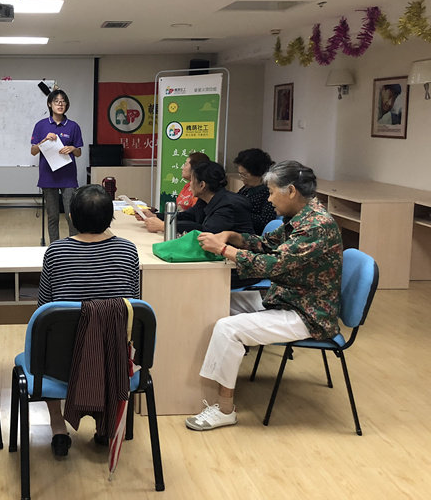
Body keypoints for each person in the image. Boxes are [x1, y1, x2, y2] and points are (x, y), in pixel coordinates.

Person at [184, 161, 342, 431]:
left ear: (291, 191)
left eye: (271, 192)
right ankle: (199, 385)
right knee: (214, 304)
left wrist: (223, 249)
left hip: (307, 313)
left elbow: (273, 264)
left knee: (228, 328)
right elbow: (266, 244)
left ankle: (224, 409)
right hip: (286, 297)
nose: (268, 199)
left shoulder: (316, 226)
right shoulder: (300, 217)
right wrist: (233, 236)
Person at [37, 184, 140, 457]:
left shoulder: (56, 252)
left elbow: (43, 310)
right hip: (112, 359)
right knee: (108, 332)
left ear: (71, 217)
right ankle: (104, 426)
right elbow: (133, 308)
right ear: (111, 217)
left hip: (62, 362)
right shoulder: (128, 251)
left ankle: (58, 426)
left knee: (44, 344)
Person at [138, 161, 255, 236]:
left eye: (192, 180)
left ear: (202, 185)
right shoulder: (205, 199)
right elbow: (187, 216)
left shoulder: (228, 206)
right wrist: (155, 216)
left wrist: (165, 226)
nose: (190, 184)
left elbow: (206, 231)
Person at [31, 89, 84, 244]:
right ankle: (55, 246)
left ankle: (74, 246)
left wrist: (73, 149)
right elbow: (33, 151)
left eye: (63, 101)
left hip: (68, 178)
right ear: (50, 104)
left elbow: (79, 152)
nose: (60, 104)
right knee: (53, 216)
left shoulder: (73, 126)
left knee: (71, 215)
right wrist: (43, 142)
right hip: (48, 177)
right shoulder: (41, 125)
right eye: (56, 101)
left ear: (66, 105)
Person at [233, 148, 277, 234]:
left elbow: (265, 221)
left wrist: (240, 214)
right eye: (240, 175)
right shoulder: (247, 188)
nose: (242, 179)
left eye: (244, 175)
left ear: (257, 172)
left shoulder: (269, 192)